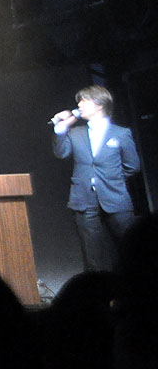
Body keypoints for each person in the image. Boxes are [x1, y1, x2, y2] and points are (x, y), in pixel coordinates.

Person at [51, 85, 141, 271]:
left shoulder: (121, 133)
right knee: (92, 255)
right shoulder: (75, 132)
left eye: (84, 100)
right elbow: (61, 153)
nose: (79, 104)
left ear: (99, 104)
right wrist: (60, 129)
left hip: (116, 198)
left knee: (131, 249)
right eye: (79, 101)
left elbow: (132, 165)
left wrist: (112, 179)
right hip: (84, 199)